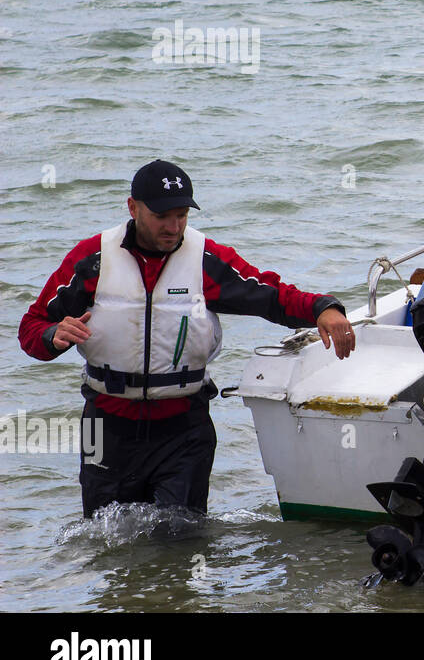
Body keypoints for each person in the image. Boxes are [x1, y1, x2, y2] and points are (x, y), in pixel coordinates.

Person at [18, 159, 356, 518]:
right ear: (132, 208)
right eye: (162, 215)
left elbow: (270, 294)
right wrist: (53, 335)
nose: (173, 226)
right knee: (108, 547)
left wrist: (323, 308)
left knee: (179, 543)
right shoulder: (91, 260)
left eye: (181, 215)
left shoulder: (205, 260)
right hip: (104, 428)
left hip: (183, 432)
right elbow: (31, 327)